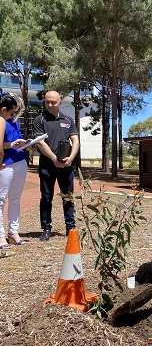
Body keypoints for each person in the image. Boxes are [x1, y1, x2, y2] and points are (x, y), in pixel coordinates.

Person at [33, 90, 79, 241]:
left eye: (53, 102)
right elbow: (40, 142)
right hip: (47, 165)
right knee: (46, 197)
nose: (50, 104)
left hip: (66, 165)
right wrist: (54, 159)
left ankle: (70, 227)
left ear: (60, 102)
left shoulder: (68, 120)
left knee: (68, 196)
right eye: (47, 102)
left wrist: (71, 157)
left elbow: (75, 140)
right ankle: (46, 228)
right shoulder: (40, 120)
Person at [0, 93, 28, 251]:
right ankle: (0, 234)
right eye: (12, 111)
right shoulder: (1, 120)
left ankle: (13, 231)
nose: (14, 114)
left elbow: (16, 138)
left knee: (15, 199)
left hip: (19, 161)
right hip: (5, 164)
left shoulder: (12, 119)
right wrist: (11, 144)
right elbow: (1, 145)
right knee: (1, 199)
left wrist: (24, 144)